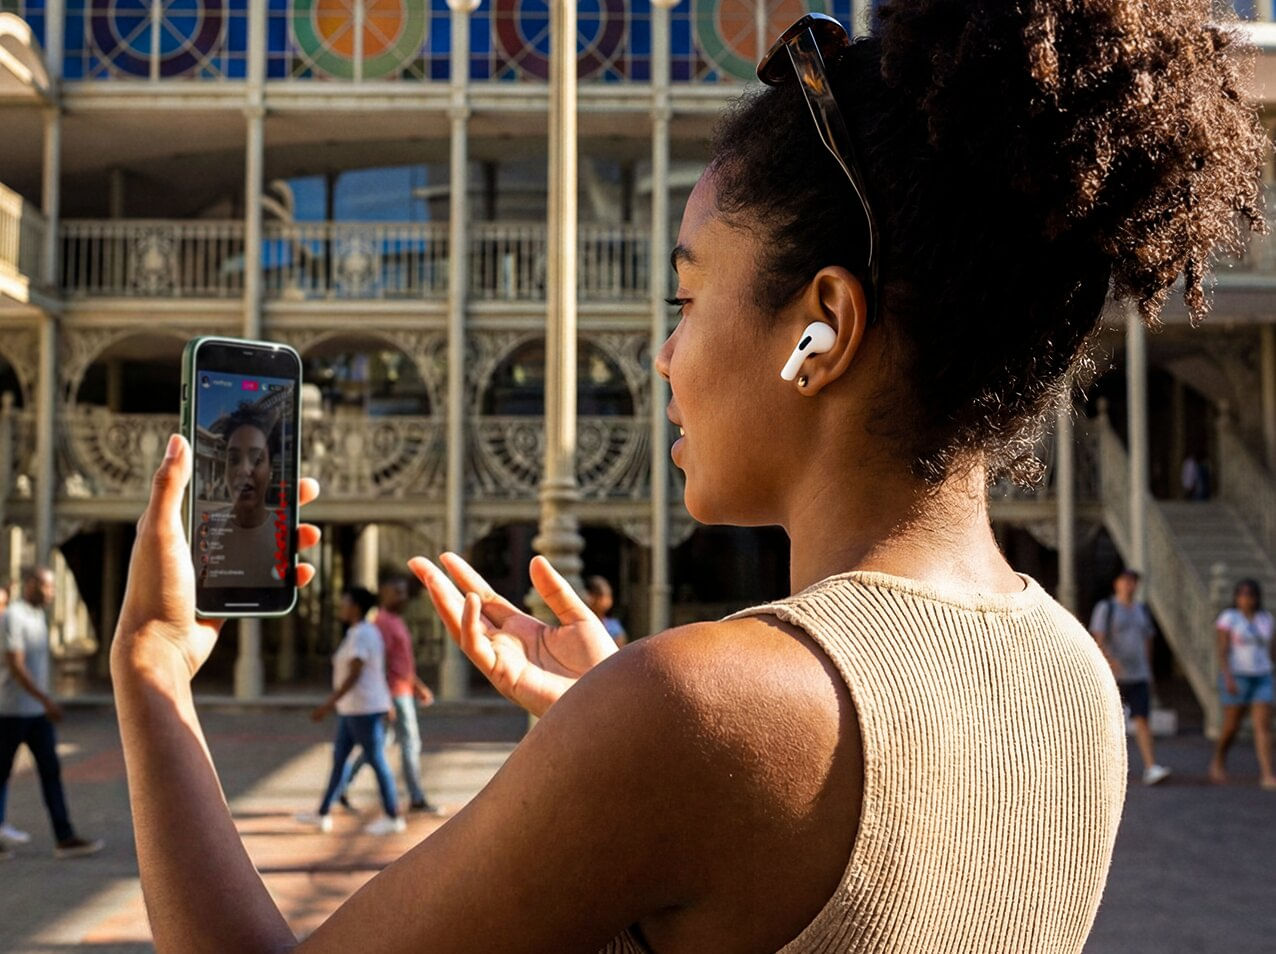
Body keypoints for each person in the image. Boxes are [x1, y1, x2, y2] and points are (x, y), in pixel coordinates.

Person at [108, 2, 1264, 950]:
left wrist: (154, 675)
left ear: (823, 328)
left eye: (686, 295)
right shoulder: (1072, 677)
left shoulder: (700, 714)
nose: (664, 353)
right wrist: (604, 729)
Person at [0, 566, 103, 858]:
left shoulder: (37, 616)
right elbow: (16, 666)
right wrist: (46, 700)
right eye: (48, 587)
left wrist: (44, 703)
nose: (51, 593)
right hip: (11, 712)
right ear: (31, 584)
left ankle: (64, 837)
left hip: (36, 715)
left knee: (51, 772)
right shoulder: (13, 617)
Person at [296, 586, 404, 836]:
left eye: (344, 602)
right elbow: (378, 670)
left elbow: (355, 673)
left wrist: (328, 704)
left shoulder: (361, 635)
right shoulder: (363, 632)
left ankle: (393, 816)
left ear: (356, 607)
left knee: (377, 761)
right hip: (354, 709)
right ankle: (323, 813)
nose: (341, 606)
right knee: (340, 761)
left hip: (363, 710)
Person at [341, 573, 444, 815]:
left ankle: (342, 787)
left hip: (403, 691)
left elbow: (402, 664)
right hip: (395, 695)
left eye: (404, 592)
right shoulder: (383, 623)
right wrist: (386, 699)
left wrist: (418, 687)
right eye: (397, 592)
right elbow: (381, 664)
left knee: (376, 746)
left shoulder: (396, 621)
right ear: (384, 594)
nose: (403, 597)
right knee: (409, 743)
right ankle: (416, 798)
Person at [1089, 569, 1172, 786]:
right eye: (1124, 581)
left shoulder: (1141, 610)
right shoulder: (1106, 608)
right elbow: (1098, 638)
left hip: (1139, 673)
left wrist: (1148, 667)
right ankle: (1102, 768)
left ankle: (1150, 765)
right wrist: (1108, 661)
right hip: (1115, 674)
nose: (1129, 585)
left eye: (1133, 581)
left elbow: (1147, 640)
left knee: (1142, 719)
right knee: (1108, 721)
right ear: (1116, 584)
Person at [200, 402, 281, 589]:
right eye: (234, 459)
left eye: (256, 459)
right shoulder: (205, 531)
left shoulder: (284, 532)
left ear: (271, 471)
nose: (244, 470)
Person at [1208, 579, 1276, 789]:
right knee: (1231, 726)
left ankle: (1266, 773)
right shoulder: (1229, 618)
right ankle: (1219, 759)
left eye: (1250, 595)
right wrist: (1227, 676)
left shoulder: (1265, 619)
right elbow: (1223, 649)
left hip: (1262, 674)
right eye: (1242, 595)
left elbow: (1271, 650)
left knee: (1262, 726)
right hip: (1238, 675)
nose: (1246, 599)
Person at [584, 576, 628, 647]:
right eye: (602, 596)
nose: (606, 601)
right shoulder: (582, 627)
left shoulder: (614, 627)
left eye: (608, 596)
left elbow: (620, 651)